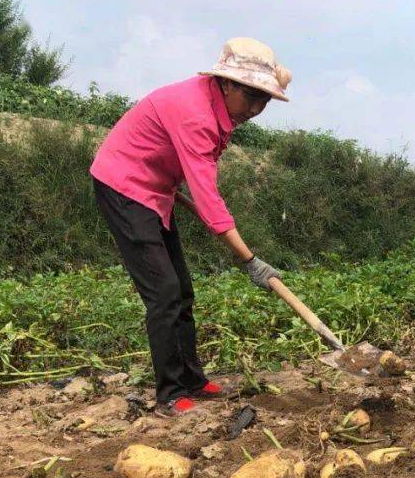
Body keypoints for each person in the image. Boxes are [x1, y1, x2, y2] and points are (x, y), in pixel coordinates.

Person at [90, 37, 292, 416]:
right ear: (228, 84)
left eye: (264, 101)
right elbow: (208, 197)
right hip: (125, 187)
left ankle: (193, 380)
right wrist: (250, 261)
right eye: (252, 97)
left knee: (181, 288)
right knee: (164, 291)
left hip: (156, 188)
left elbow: (197, 180)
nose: (256, 109)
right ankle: (169, 394)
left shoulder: (219, 108)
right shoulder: (196, 112)